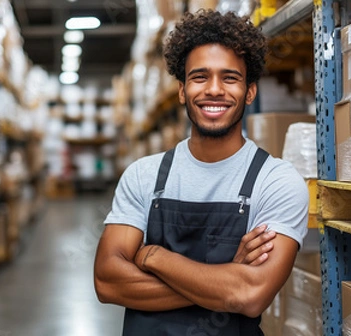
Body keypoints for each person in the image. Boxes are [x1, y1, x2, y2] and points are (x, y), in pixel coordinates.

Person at [94, 9, 308, 336]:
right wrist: (225, 279)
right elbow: (108, 281)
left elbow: (250, 295)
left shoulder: (276, 181)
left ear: (250, 91)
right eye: (199, 77)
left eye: (230, 78)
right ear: (182, 90)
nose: (214, 90)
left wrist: (152, 256)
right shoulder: (143, 176)